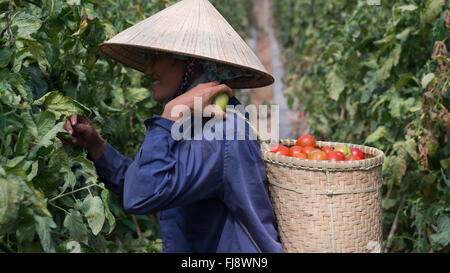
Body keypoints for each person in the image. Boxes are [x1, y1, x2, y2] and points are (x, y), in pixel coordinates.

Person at [61, 0, 283, 253]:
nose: (147, 68)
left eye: (156, 56)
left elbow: (142, 195)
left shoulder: (219, 131)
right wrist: (96, 145)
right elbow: (146, 181)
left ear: (190, 62)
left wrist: (168, 116)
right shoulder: (196, 121)